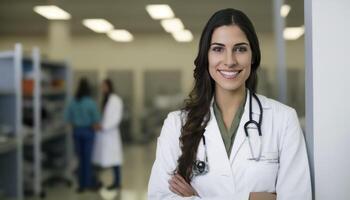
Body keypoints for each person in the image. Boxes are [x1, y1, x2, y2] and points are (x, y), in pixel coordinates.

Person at [148, 8, 312, 200]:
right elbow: (160, 196)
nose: (229, 61)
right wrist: (257, 198)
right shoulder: (176, 124)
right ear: (206, 56)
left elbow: (297, 197)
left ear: (253, 56)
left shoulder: (283, 119)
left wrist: (197, 197)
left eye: (240, 49)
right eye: (218, 49)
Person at [64, 78, 100, 192]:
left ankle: (81, 185)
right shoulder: (90, 102)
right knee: (87, 159)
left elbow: (67, 118)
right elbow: (96, 120)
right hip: (88, 132)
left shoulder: (73, 102)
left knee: (80, 159)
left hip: (77, 132)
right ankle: (88, 183)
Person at [92, 79, 123, 199]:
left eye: (104, 86)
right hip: (104, 134)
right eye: (101, 86)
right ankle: (100, 182)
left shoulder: (115, 100)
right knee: (104, 160)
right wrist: (100, 125)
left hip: (110, 134)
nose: (102, 88)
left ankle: (117, 183)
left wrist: (103, 126)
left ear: (109, 86)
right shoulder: (106, 99)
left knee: (115, 161)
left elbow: (116, 118)